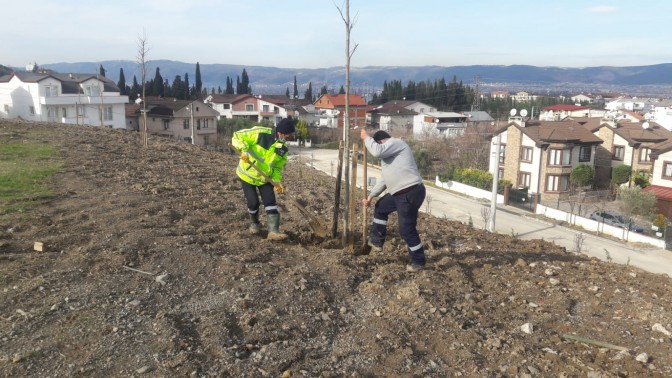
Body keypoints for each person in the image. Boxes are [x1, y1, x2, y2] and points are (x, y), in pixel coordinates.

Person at [360, 129, 427, 272]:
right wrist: (370, 197)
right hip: (398, 194)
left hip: (410, 191)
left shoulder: (396, 143)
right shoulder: (389, 160)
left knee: (406, 230)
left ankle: (419, 261)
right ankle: (377, 241)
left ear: (381, 141)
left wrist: (366, 138)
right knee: (380, 208)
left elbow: (377, 151)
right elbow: (384, 180)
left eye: (377, 144)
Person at [232, 118, 296, 241]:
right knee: (253, 203)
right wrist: (243, 150)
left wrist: (277, 181)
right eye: (288, 136)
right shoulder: (261, 133)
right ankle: (254, 223)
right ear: (281, 133)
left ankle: (273, 231)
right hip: (247, 174)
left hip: (265, 178)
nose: (289, 139)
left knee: (271, 202)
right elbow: (237, 136)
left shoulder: (282, 149)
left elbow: (277, 168)